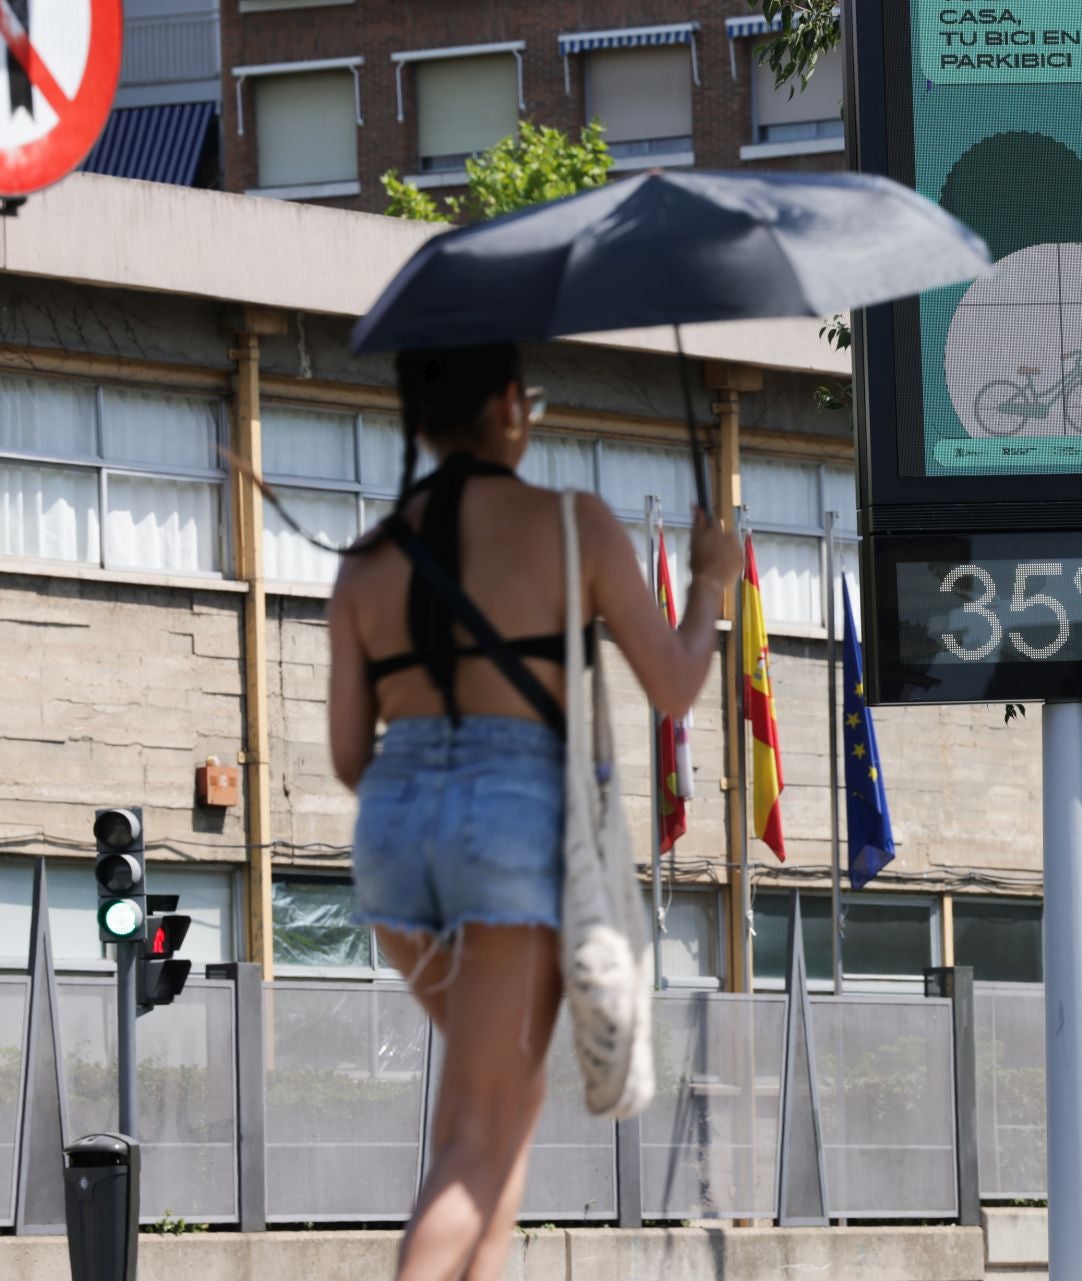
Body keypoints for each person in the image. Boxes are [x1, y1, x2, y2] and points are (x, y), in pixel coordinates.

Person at [324, 344, 742, 1281]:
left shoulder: (365, 562)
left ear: (424, 425)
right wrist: (712, 576)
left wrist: (433, 778)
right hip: (511, 829)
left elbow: (351, 755)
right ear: (512, 404)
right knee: (482, 1123)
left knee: (498, 1103)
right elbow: (674, 685)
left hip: (394, 839)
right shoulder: (573, 525)